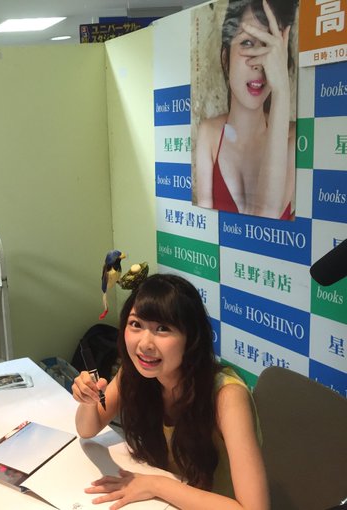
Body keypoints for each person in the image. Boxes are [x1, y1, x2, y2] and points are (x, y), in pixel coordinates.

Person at [72, 273, 268, 509]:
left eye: (162, 328)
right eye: (136, 324)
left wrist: (156, 485)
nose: (144, 344)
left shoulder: (227, 396)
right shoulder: (136, 372)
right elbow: (87, 430)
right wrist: (88, 401)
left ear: (191, 338)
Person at [194, 0, 298, 220]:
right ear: (226, 58)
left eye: (270, 46)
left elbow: (265, 219)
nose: (260, 62)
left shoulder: (294, 139)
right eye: (248, 43)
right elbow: (206, 226)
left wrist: (282, 91)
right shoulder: (209, 134)